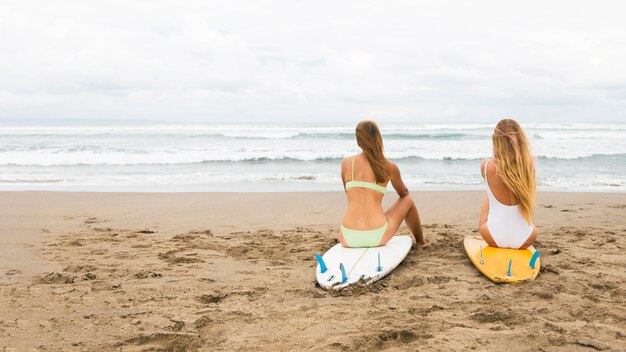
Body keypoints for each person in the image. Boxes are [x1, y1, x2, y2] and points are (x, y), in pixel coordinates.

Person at [338, 120, 429, 249]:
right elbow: (404, 193)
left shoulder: (346, 163)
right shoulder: (388, 167)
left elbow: (349, 193)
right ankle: (421, 242)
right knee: (408, 200)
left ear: (358, 141)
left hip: (347, 237)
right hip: (376, 235)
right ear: (378, 139)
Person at [479, 118, 538, 249]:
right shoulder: (529, 166)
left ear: (496, 141)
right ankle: (520, 228)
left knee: (489, 189)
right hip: (526, 238)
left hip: (493, 236)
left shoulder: (486, 165)